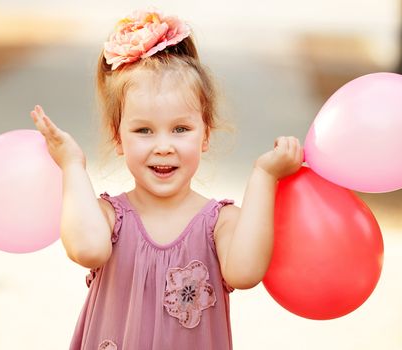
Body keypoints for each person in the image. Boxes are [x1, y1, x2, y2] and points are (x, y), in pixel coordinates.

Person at [30, 8, 303, 350]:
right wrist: (72, 164)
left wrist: (265, 176)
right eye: (143, 130)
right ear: (118, 139)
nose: (163, 147)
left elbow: (245, 273)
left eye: (180, 129)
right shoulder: (107, 218)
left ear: (205, 136)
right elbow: (86, 249)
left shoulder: (220, 224)